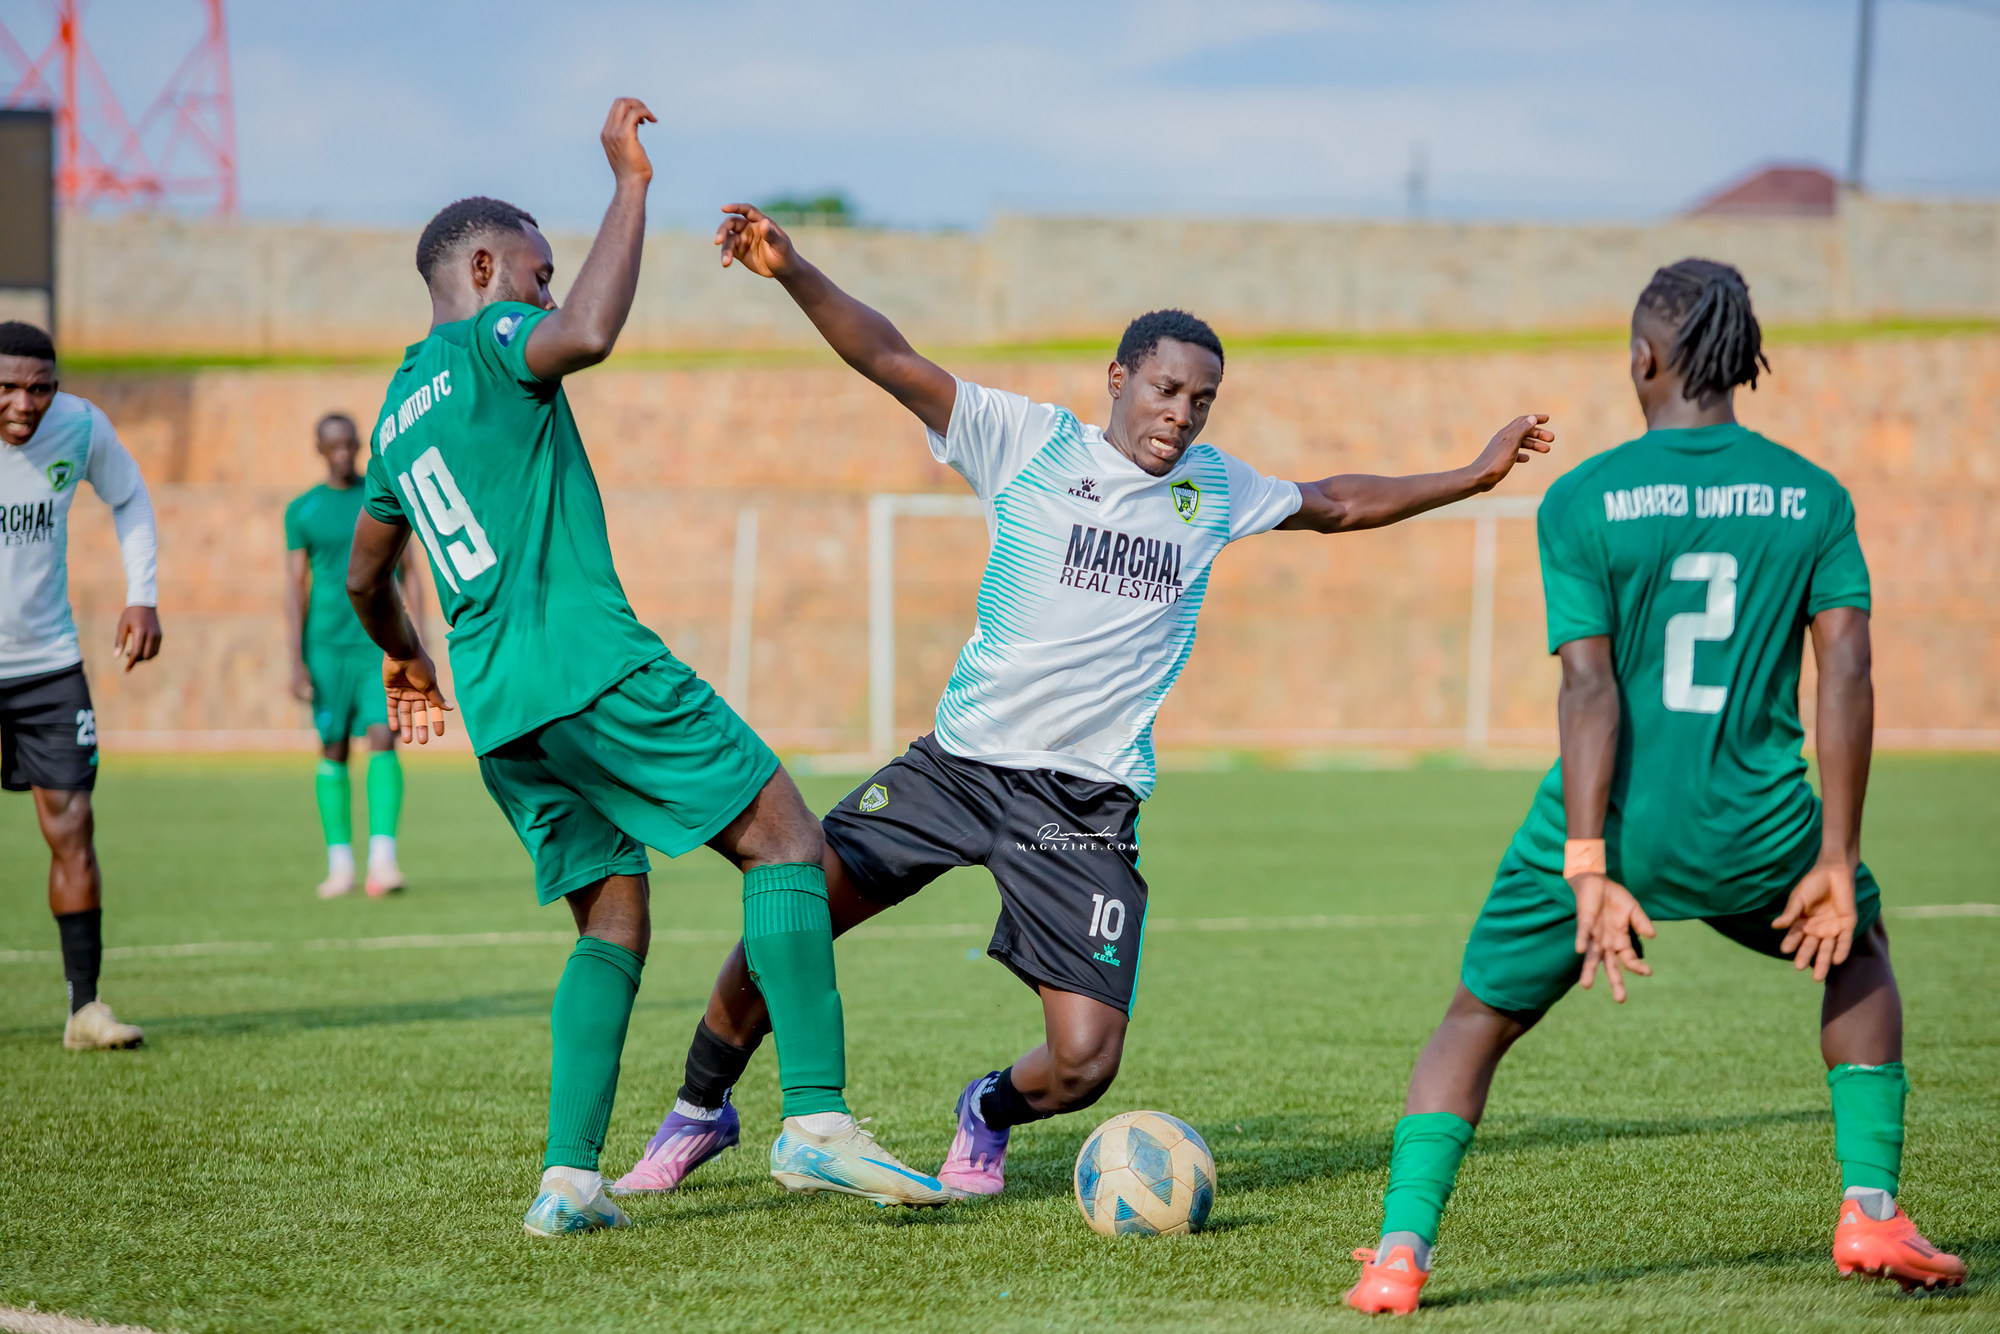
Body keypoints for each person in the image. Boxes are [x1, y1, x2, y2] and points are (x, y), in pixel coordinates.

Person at [610, 204, 1555, 1199]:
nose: (1181, 415)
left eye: (1201, 400)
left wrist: (1473, 475)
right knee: (790, 912)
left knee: (1085, 1061)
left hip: (1083, 803)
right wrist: (795, 269)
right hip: (958, 767)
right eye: (1165, 390)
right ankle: (699, 1111)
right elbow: (888, 358)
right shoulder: (1026, 440)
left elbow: (1338, 502)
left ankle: (986, 1108)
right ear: (1118, 379)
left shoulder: (1214, 490)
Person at [342, 100, 951, 1237]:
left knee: (610, 922)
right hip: (592, 668)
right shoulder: (491, 341)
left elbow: (363, 577)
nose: (544, 288)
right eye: (536, 270)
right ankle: (817, 1122)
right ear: (483, 269)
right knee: (785, 837)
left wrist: (410, 663)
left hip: (505, 715)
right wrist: (630, 183)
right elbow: (585, 334)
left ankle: (569, 1179)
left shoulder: (393, 419)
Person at [1343, 260, 1966, 1315]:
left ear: (1644, 359)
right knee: (1857, 950)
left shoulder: (1583, 497)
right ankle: (1868, 1207)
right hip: (1757, 824)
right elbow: (1849, 671)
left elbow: (1587, 690)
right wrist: (1835, 855)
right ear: (1740, 361)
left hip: (1607, 822)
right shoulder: (1812, 495)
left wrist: (1586, 863)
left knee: (1474, 1019)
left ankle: (1399, 1256)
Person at [0, 319, 162, 1051]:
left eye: (39, 389)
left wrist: (143, 595)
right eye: (7, 388)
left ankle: (84, 1010)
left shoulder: (79, 426)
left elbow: (130, 497)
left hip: (48, 665)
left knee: (72, 829)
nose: (23, 404)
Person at [286, 411, 423, 898]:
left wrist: (417, 641)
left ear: (361, 445)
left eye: (351, 444)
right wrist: (296, 659)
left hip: (377, 644)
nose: (344, 453)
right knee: (334, 747)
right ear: (320, 450)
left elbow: (410, 571)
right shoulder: (302, 511)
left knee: (385, 737)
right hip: (325, 648)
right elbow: (295, 588)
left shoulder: (382, 498)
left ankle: (383, 862)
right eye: (335, 446)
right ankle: (340, 864)